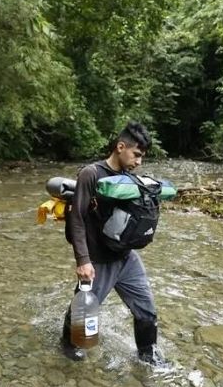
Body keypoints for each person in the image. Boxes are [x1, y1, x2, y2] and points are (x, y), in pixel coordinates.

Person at [61, 121, 163, 364]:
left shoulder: (130, 178)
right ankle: (68, 344)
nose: (139, 162)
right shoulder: (91, 174)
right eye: (136, 154)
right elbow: (77, 218)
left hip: (126, 258)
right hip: (98, 260)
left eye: (142, 157)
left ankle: (148, 356)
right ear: (120, 146)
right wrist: (83, 260)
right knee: (84, 311)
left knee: (147, 310)